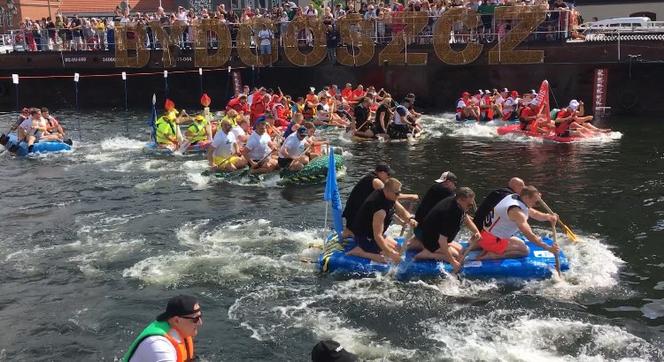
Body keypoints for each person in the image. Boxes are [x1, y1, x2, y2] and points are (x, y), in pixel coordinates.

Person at [475, 186, 559, 260]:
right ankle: (492, 255)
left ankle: (488, 247)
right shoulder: (517, 213)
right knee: (525, 250)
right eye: (534, 201)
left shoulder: (513, 197)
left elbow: (533, 213)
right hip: (492, 240)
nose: (534, 204)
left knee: (520, 242)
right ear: (526, 197)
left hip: (485, 235)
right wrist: (547, 248)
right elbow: (529, 235)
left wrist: (549, 217)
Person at [407, 188, 480, 272]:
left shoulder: (456, 202)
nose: (470, 207)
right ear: (461, 199)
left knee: (461, 249)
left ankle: (419, 245)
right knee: (456, 256)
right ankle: (428, 253)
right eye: (469, 205)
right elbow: (442, 241)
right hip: (432, 240)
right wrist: (453, 262)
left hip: (433, 235)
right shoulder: (451, 213)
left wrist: (476, 231)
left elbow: (465, 218)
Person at [347, 178, 417, 263]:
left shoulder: (389, 196)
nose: (398, 195)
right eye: (397, 193)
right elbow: (378, 236)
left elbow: (401, 210)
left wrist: (410, 219)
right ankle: (359, 251)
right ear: (388, 191)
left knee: (398, 249)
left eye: (399, 192)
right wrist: (391, 254)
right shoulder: (380, 210)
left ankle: (379, 250)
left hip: (373, 234)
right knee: (388, 259)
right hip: (365, 237)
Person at [122, 295, 202, 362]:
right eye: (195, 319)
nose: (200, 323)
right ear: (176, 320)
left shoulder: (180, 329)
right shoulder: (158, 345)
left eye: (200, 316)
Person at [413, 171, 458, 238]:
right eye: (454, 184)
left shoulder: (435, 187)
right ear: (449, 182)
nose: (455, 187)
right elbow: (458, 206)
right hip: (424, 231)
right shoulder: (445, 191)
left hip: (418, 228)